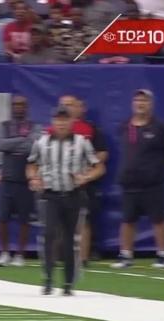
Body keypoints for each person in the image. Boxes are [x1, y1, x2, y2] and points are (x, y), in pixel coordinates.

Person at [27, 106, 105, 296]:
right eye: (58, 119)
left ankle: (68, 283)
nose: (61, 123)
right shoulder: (42, 142)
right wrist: (33, 178)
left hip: (73, 195)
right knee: (49, 234)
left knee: (70, 240)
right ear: (53, 122)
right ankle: (48, 278)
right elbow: (31, 164)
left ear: (72, 122)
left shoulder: (82, 143)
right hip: (51, 195)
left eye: (65, 119)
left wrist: (86, 177)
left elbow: (98, 167)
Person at [111, 89, 164, 269]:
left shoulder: (161, 128)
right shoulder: (124, 126)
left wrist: (155, 171)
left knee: (159, 219)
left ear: (151, 104)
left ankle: (163, 255)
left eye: (144, 100)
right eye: (138, 100)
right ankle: (126, 255)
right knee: (127, 220)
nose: (141, 103)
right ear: (133, 103)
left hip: (153, 184)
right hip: (129, 182)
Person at [59, 96, 108, 267]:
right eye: (63, 105)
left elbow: (102, 153)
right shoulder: (53, 129)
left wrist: (88, 169)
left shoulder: (89, 129)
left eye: (70, 105)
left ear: (80, 108)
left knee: (83, 219)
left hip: (83, 182)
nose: (66, 108)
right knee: (60, 220)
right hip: (59, 181)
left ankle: (83, 258)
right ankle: (63, 256)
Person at [0, 95, 41, 267]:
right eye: (16, 105)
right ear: (11, 107)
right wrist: (22, 141)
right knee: (2, 218)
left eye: (22, 104)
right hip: (7, 178)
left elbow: (34, 146)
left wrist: (12, 144)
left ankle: (20, 254)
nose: (19, 107)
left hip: (25, 179)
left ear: (27, 107)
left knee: (24, 219)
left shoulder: (34, 126)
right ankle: (4, 252)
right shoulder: (4, 126)